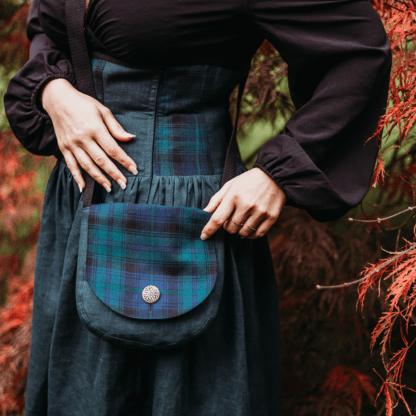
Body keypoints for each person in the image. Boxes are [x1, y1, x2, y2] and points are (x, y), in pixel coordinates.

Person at [4, 0, 391, 414]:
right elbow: (49, 26)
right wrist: (54, 90)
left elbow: (359, 51)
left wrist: (280, 171)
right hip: (76, 198)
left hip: (183, 218)